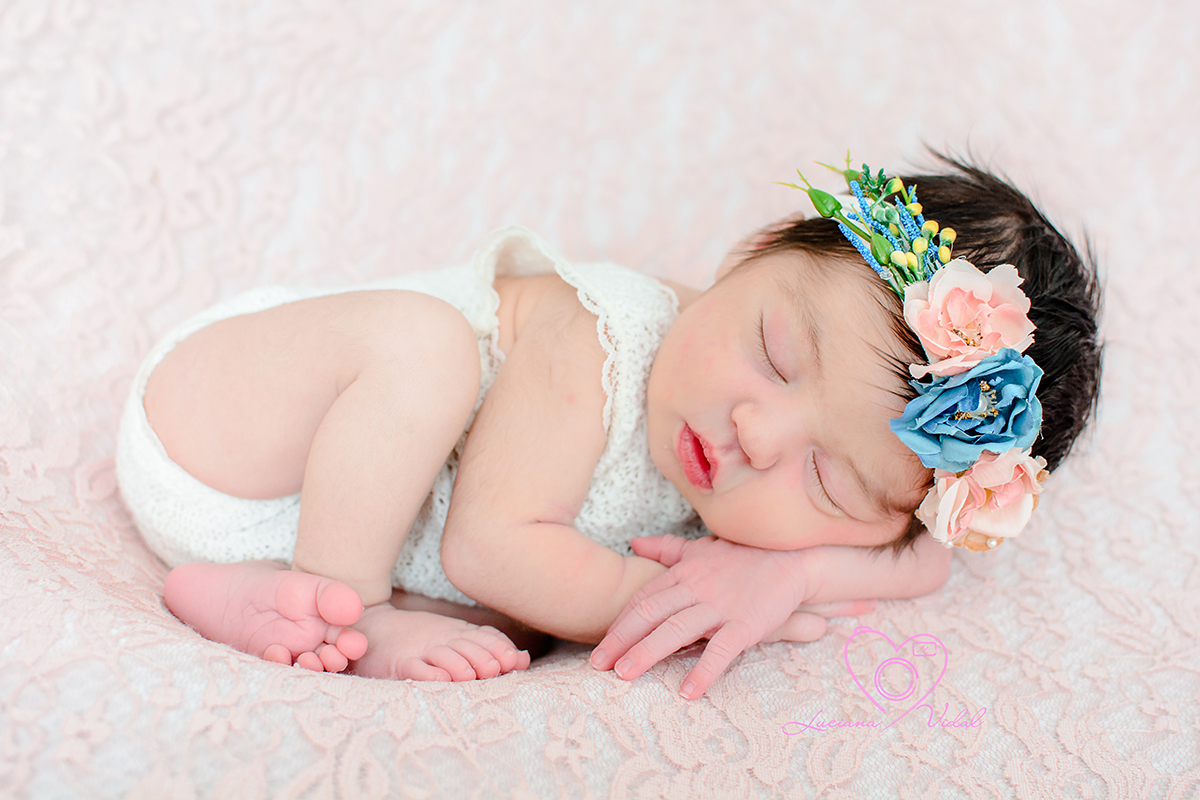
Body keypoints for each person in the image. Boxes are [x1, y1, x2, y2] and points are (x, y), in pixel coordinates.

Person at [115, 154, 1101, 697]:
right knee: (426, 350)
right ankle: (350, 611)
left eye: (827, 479)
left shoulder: (822, 503)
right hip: (228, 426)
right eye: (774, 352)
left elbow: (923, 559)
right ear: (756, 251)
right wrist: (664, 595)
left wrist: (785, 574)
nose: (759, 433)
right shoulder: (608, 334)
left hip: (284, 532)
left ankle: (256, 599)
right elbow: (488, 547)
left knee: (512, 628)